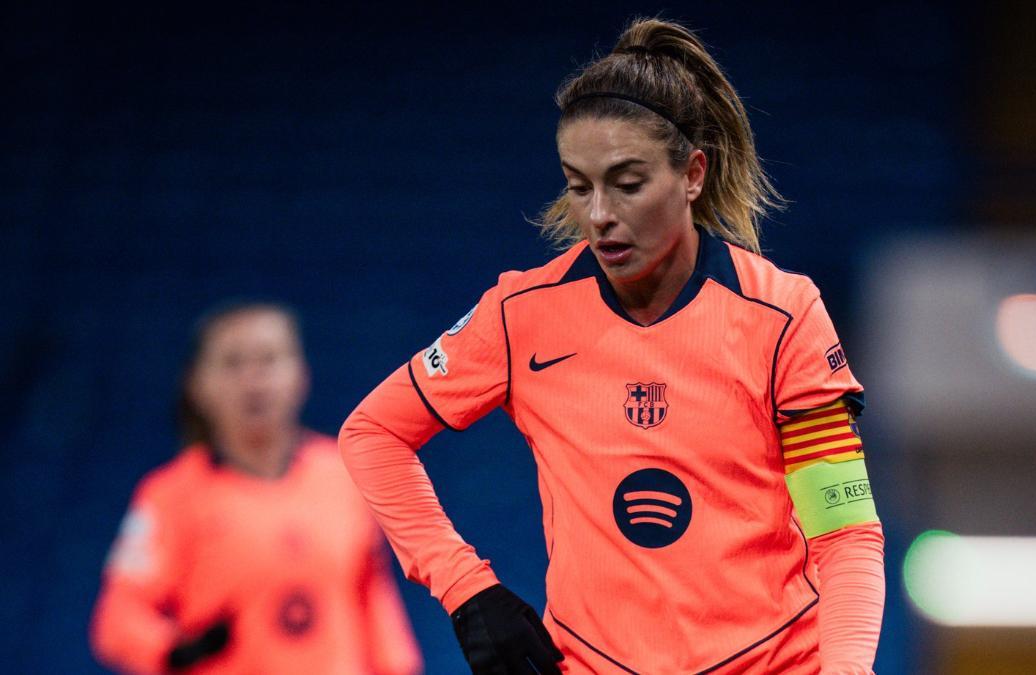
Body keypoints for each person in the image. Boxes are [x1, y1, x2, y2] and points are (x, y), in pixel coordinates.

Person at [340, 18, 884, 674]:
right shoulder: (520, 315)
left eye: (627, 184)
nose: (598, 213)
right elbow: (372, 433)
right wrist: (466, 589)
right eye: (579, 184)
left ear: (692, 174)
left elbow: (846, 533)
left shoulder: (783, 315)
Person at [91, 302, 423, 675]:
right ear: (197, 384)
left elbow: (373, 598)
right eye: (232, 363)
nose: (254, 380)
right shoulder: (170, 494)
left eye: (269, 360)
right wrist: (175, 651)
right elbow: (118, 619)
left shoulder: (344, 474)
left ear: (301, 374)